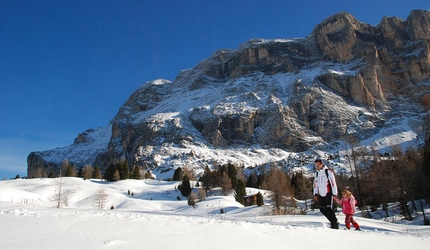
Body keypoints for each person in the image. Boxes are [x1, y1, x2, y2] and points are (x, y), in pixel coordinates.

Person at [313, 159, 339, 229]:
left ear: (322, 164)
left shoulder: (328, 172)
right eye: (316, 166)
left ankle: (334, 225)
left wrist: (334, 194)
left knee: (329, 209)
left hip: (328, 193)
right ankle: (333, 220)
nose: (317, 167)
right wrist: (315, 194)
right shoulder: (317, 174)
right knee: (322, 209)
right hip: (321, 194)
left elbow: (333, 183)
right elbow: (315, 184)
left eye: (318, 165)